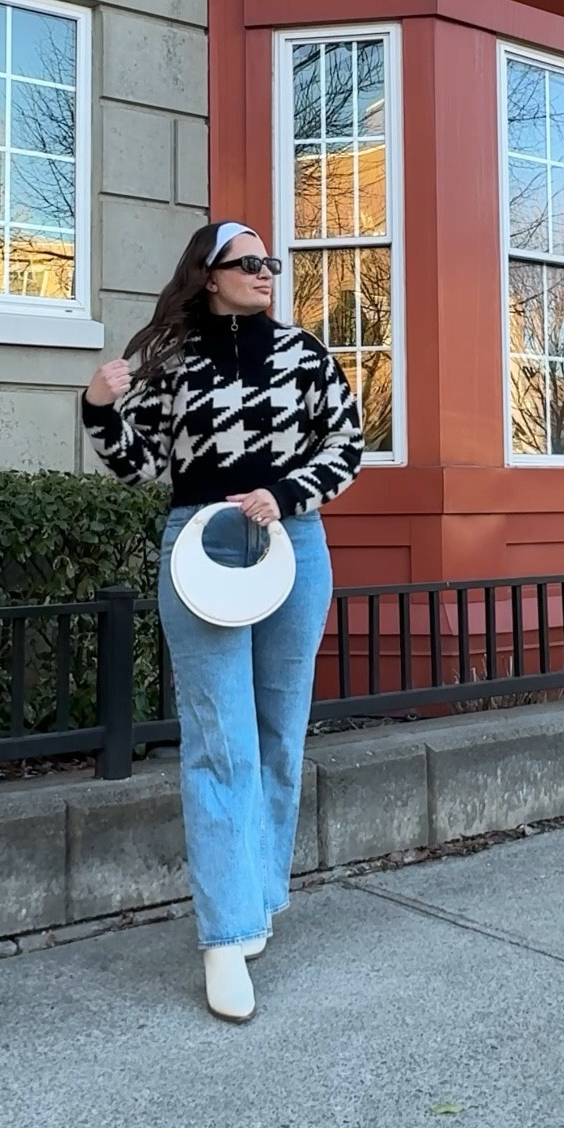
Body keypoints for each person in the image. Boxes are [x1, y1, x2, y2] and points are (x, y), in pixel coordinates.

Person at [81, 221, 364, 1022]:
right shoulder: (174, 360)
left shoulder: (304, 353)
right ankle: (223, 932)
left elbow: (347, 444)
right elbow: (140, 463)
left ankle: (260, 894)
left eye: (270, 262)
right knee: (219, 739)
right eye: (249, 263)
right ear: (211, 276)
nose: (266, 272)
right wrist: (101, 407)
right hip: (199, 543)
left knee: (281, 732)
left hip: (291, 543)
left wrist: (290, 492)